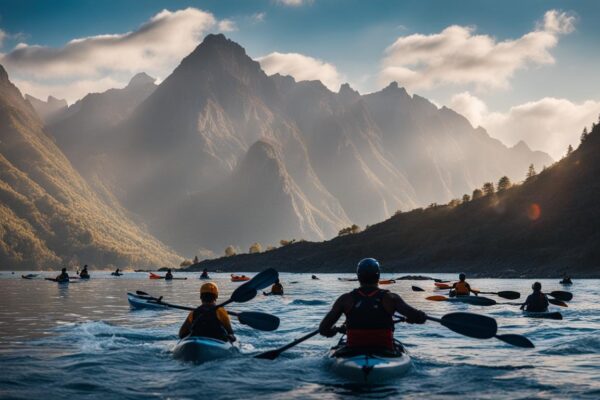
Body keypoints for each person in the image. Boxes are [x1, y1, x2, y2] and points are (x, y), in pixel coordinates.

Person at [319, 258, 426, 350]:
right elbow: (418, 318)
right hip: (384, 349)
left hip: (353, 349)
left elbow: (323, 329)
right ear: (378, 275)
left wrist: (334, 331)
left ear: (358, 276)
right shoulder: (391, 298)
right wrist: (418, 316)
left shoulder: (346, 299)